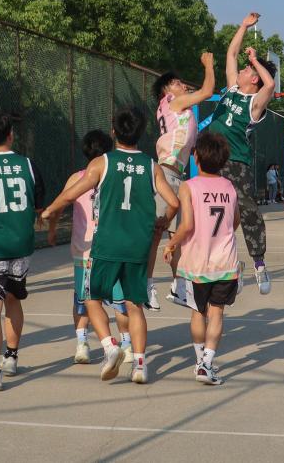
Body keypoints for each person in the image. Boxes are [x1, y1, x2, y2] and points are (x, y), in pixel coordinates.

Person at [42, 107, 179, 384]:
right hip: (138, 245)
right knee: (135, 305)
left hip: (107, 244)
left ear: (114, 131)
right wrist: (163, 222)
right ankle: (139, 365)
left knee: (92, 298)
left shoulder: (101, 163)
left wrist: (48, 211)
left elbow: (70, 195)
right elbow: (174, 203)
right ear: (141, 133)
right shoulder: (151, 166)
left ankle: (109, 346)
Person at [0, 113, 46, 392]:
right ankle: (12, 358)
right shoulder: (28, 165)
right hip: (21, 245)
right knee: (13, 300)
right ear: (10, 135)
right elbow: (38, 204)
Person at [163, 132, 242, 386]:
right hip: (225, 262)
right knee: (216, 312)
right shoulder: (229, 187)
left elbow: (186, 225)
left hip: (196, 263)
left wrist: (171, 243)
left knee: (198, 312)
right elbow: (235, 221)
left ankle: (199, 362)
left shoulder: (189, 186)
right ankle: (207, 363)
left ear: (196, 156)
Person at [207, 12, 277, 294]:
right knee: (213, 213)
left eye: (247, 70)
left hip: (235, 162)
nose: (242, 70)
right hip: (210, 159)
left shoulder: (255, 103)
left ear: (254, 78)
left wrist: (256, 61)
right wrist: (243, 26)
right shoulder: (231, 89)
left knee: (246, 209)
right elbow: (231, 53)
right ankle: (226, 265)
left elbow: (270, 85)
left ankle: (259, 263)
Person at [49, 130, 132, 365]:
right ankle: (126, 344)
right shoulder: (117, 177)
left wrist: (52, 228)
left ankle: (82, 344)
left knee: (83, 300)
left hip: (84, 250)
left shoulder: (77, 179)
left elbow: (59, 205)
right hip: (113, 248)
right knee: (120, 303)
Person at [148, 52, 215, 311]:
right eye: (178, 83)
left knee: (178, 236)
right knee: (156, 233)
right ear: (167, 91)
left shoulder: (177, 108)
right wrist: (208, 65)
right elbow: (207, 91)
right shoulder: (173, 102)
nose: (183, 85)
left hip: (176, 174)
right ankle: (147, 286)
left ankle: (179, 287)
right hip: (165, 174)